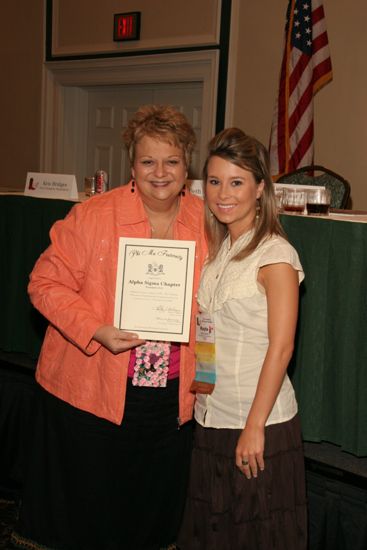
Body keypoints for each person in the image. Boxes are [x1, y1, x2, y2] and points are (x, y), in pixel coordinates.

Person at [12, 105, 207, 550]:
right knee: (90, 508)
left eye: (171, 161)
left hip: (172, 393)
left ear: (186, 164)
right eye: (147, 161)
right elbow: (44, 283)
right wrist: (96, 328)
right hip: (93, 386)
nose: (160, 172)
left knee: (151, 508)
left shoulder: (206, 221)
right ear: (131, 165)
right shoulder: (94, 215)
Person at [178, 128, 307, 549]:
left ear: (259, 189)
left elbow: (282, 346)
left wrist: (254, 426)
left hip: (259, 424)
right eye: (214, 182)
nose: (223, 193)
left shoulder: (276, 255)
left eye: (236, 182)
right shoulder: (218, 257)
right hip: (212, 417)